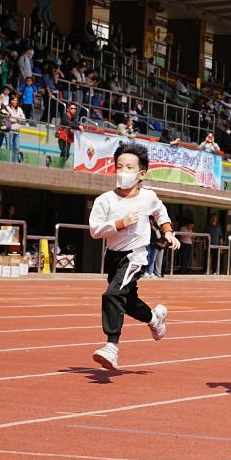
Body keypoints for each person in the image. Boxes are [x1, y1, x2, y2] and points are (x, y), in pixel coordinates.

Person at [87, 142, 180, 370]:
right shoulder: (104, 200)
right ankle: (154, 319)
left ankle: (111, 347)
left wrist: (168, 232)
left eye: (129, 168)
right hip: (113, 256)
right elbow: (95, 230)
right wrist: (119, 223)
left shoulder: (148, 197)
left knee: (112, 294)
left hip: (135, 256)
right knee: (127, 302)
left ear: (141, 174)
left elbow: (160, 211)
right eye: (119, 167)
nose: (123, 172)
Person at [4, 95, 26, 163]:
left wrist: (15, 119)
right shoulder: (7, 108)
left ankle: (14, 162)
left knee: (17, 147)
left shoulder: (20, 109)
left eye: (16, 100)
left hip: (17, 131)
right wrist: (18, 119)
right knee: (9, 147)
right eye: (13, 100)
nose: (15, 101)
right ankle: (8, 162)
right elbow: (7, 119)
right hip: (10, 131)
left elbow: (24, 120)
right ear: (10, 101)